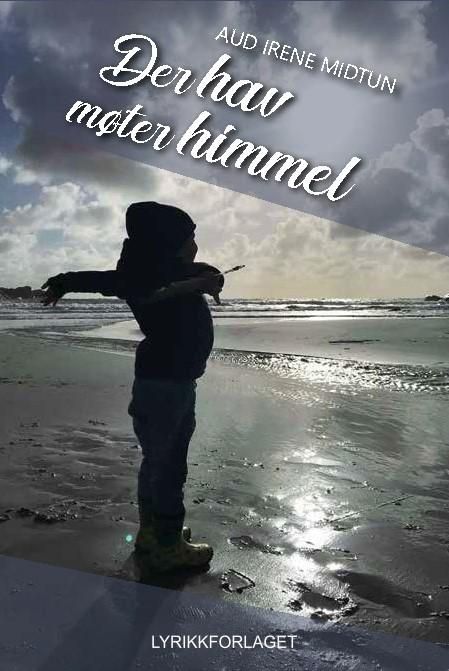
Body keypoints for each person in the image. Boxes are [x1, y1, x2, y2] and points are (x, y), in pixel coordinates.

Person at [42, 201, 224, 572]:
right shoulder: (144, 279)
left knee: (157, 462)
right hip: (166, 388)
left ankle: (151, 533)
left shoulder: (162, 270)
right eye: (190, 237)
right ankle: (168, 546)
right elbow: (118, 283)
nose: (195, 244)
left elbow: (196, 272)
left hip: (169, 384)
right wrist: (67, 280)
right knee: (169, 468)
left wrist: (209, 277)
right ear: (168, 242)